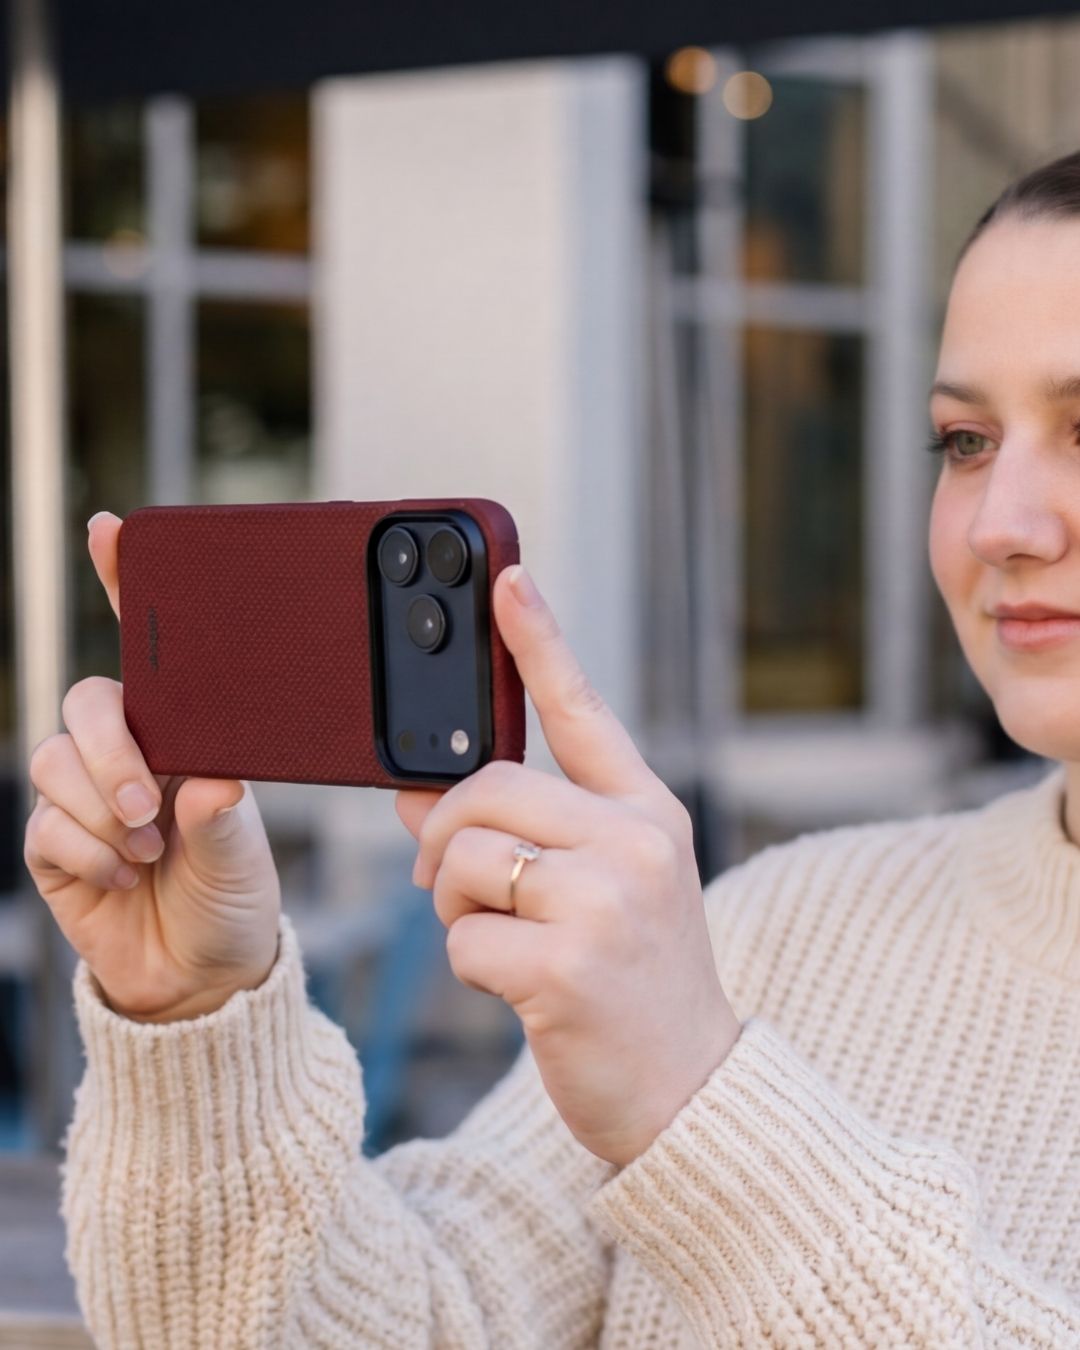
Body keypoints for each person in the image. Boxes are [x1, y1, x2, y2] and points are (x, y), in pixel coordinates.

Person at [24, 148, 1080, 1348]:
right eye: (966, 440)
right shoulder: (781, 925)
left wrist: (703, 1107)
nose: (1002, 523)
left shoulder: (699, 1011)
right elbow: (416, 1322)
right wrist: (195, 1021)